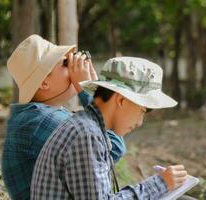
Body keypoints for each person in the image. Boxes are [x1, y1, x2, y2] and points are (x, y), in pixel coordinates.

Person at [31, 57, 191, 199]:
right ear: (121, 100)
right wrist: (160, 184)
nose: (139, 122)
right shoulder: (86, 134)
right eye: (143, 111)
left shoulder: (89, 128)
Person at [2, 35, 126, 200]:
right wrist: (90, 91)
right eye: (66, 63)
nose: (75, 67)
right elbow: (114, 147)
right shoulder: (39, 121)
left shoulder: (37, 116)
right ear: (44, 83)